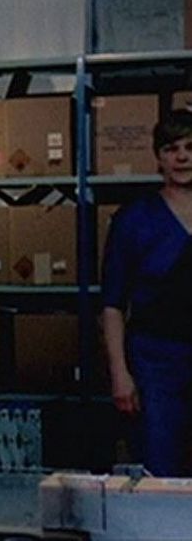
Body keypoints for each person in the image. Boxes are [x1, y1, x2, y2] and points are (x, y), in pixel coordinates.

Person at [101, 109, 192, 477]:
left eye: (191, 147)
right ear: (158, 157)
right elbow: (111, 305)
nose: (183, 157)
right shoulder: (134, 219)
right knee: (162, 469)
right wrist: (120, 374)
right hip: (156, 362)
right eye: (171, 148)